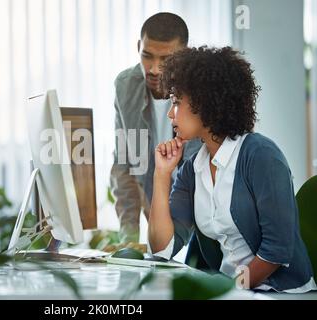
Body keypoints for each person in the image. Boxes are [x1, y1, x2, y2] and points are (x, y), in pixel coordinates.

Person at [148, 46, 316, 292]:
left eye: (176, 102)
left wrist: (229, 290)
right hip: (235, 292)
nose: (171, 114)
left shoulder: (261, 156)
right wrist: (161, 175)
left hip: (281, 294)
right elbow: (162, 248)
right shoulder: (192, 168)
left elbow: (277, 251)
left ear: (203, 102)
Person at [110, 12, 201, 243]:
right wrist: (128, 240)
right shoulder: (125, 86)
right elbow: (124, 167)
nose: (154, 69)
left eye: (166, 60)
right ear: (139, 46)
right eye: (147, 56)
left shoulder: (202, 91)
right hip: (156, 218)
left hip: (200, 224)